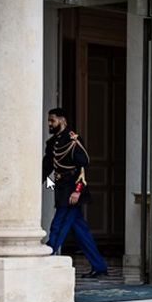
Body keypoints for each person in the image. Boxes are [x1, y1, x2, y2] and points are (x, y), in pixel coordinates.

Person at [42, 108, 108, 278]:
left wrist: (77, 191)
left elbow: (83, 167)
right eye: (49, 121)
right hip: (61, 189)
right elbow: (46, 168)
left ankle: (47, 256)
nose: (50, 124)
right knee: (81, 232)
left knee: (58, 224)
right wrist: (43, 184)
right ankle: (99, 266)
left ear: (62, 120)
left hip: (72, 191)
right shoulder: (52, 143)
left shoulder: (73, 140)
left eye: (52, 121)